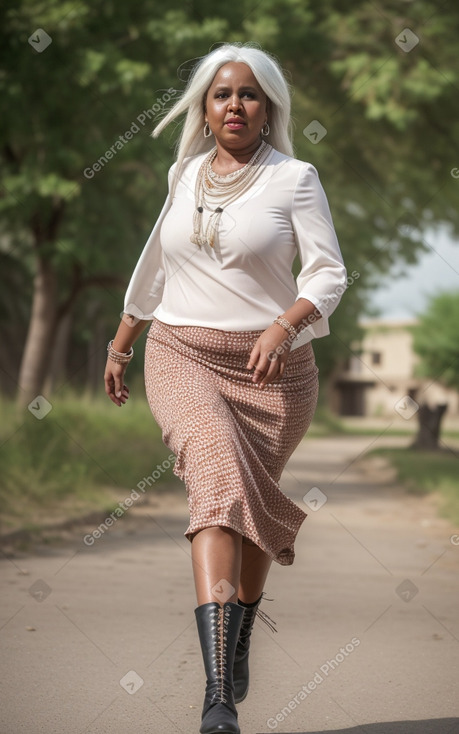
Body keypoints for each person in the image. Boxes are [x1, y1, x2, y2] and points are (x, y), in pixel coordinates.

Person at [104, 42, 346, 734]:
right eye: (219, 94)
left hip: (275, 373)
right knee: (215, 491)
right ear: (203, 110)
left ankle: (236, 636)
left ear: (268, 107)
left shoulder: (295, 178)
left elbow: (328, 274)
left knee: (246, 516)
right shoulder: (183, 174)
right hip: (181, 355)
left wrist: (284, 326)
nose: (233, 105)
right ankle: (218, 695)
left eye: (247, 94)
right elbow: (155, 265)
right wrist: (124, 343)